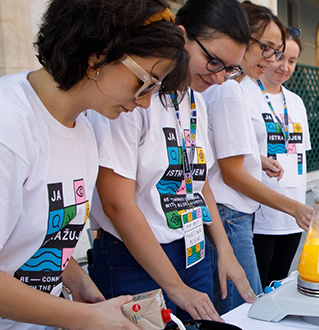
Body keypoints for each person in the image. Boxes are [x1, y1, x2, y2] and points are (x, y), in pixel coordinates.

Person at [0, 0, 189, 329]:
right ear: (98, 55)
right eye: (145, 82)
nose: (144, 102)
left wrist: (76, 279)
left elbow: (34, 238)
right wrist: (86, 318)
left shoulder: (84, 130)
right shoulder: (10, 127)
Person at [87, 0, 256, 322]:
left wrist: (225, 249)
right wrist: (174, 286)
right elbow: (116, 204)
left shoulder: (195, 100)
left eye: (231, 69)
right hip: (134, 258)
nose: (220, 79)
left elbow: (198, 182)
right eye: (214, 61)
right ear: (181, 37)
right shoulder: (130, 97)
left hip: (192, 247)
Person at [202, 1, 313, 314]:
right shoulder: (229, 90)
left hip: (233, 213)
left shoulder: (230, 88)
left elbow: (223, 154)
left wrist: (256, 159)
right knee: (246, 311)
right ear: (240, 38)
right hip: (230, 214)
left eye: (278, 52)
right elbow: (232, 173)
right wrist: (295, 208)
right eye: (266, 47)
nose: (272, 59)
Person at [250, 29, 311, 288]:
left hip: (292, 215)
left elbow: (299, 156)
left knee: (279, 284)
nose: (285, 67)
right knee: (256, 288)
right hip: (260, 215)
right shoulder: (245, 93)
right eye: (280, 57)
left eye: (293, 61)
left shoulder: (296, 102)